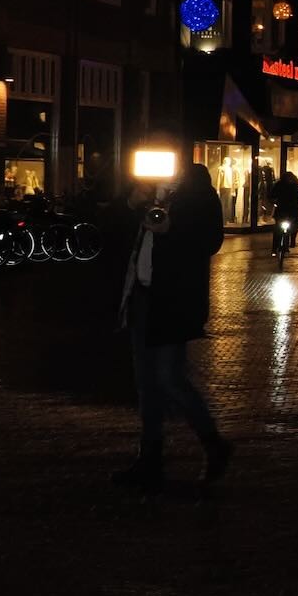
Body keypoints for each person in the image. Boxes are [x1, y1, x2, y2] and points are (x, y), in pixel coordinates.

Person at [113, 160, 232, 491]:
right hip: (141, 296)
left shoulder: (197, 191)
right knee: (146, 385)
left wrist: (171, 229)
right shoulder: (145, 188)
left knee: (169, 378)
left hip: (173, 300)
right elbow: (113, 233)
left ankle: (213, 442)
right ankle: (149, 459)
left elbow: (210, 240)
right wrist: (130, 205)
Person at [271, 167, 298, 253]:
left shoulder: (279, 184)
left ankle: (274, 248)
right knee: (293, 225)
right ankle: (292, 241)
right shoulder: (296, 185)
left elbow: (271, 195)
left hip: (281, 209)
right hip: (292, 210)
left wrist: (274, 201)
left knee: (277, 229)